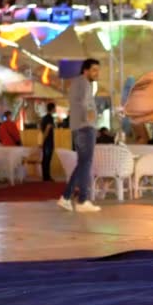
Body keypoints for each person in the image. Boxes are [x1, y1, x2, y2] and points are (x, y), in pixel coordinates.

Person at [58, 58, 101, 212]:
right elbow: (83, 103)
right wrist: (88, 116)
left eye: (98, 70)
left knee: (83, 163)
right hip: (84, 127)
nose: (97, 73)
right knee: (85, 163)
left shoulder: (80, 83)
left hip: (80, 127)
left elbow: (80, 102)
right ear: (86, 70)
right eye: (94, 70)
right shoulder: (83, 82)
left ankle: (67, 197)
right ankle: (82, 200)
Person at [40, 103, 56, 182]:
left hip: (46, 141)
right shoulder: (50, 118)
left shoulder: (44, 118)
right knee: (47, 159)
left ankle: (45, 176)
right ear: (52, 109)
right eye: (54, 108)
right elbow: (47, 129)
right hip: (48, 142)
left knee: (45, 159)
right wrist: (43, 140)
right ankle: (46, 177)